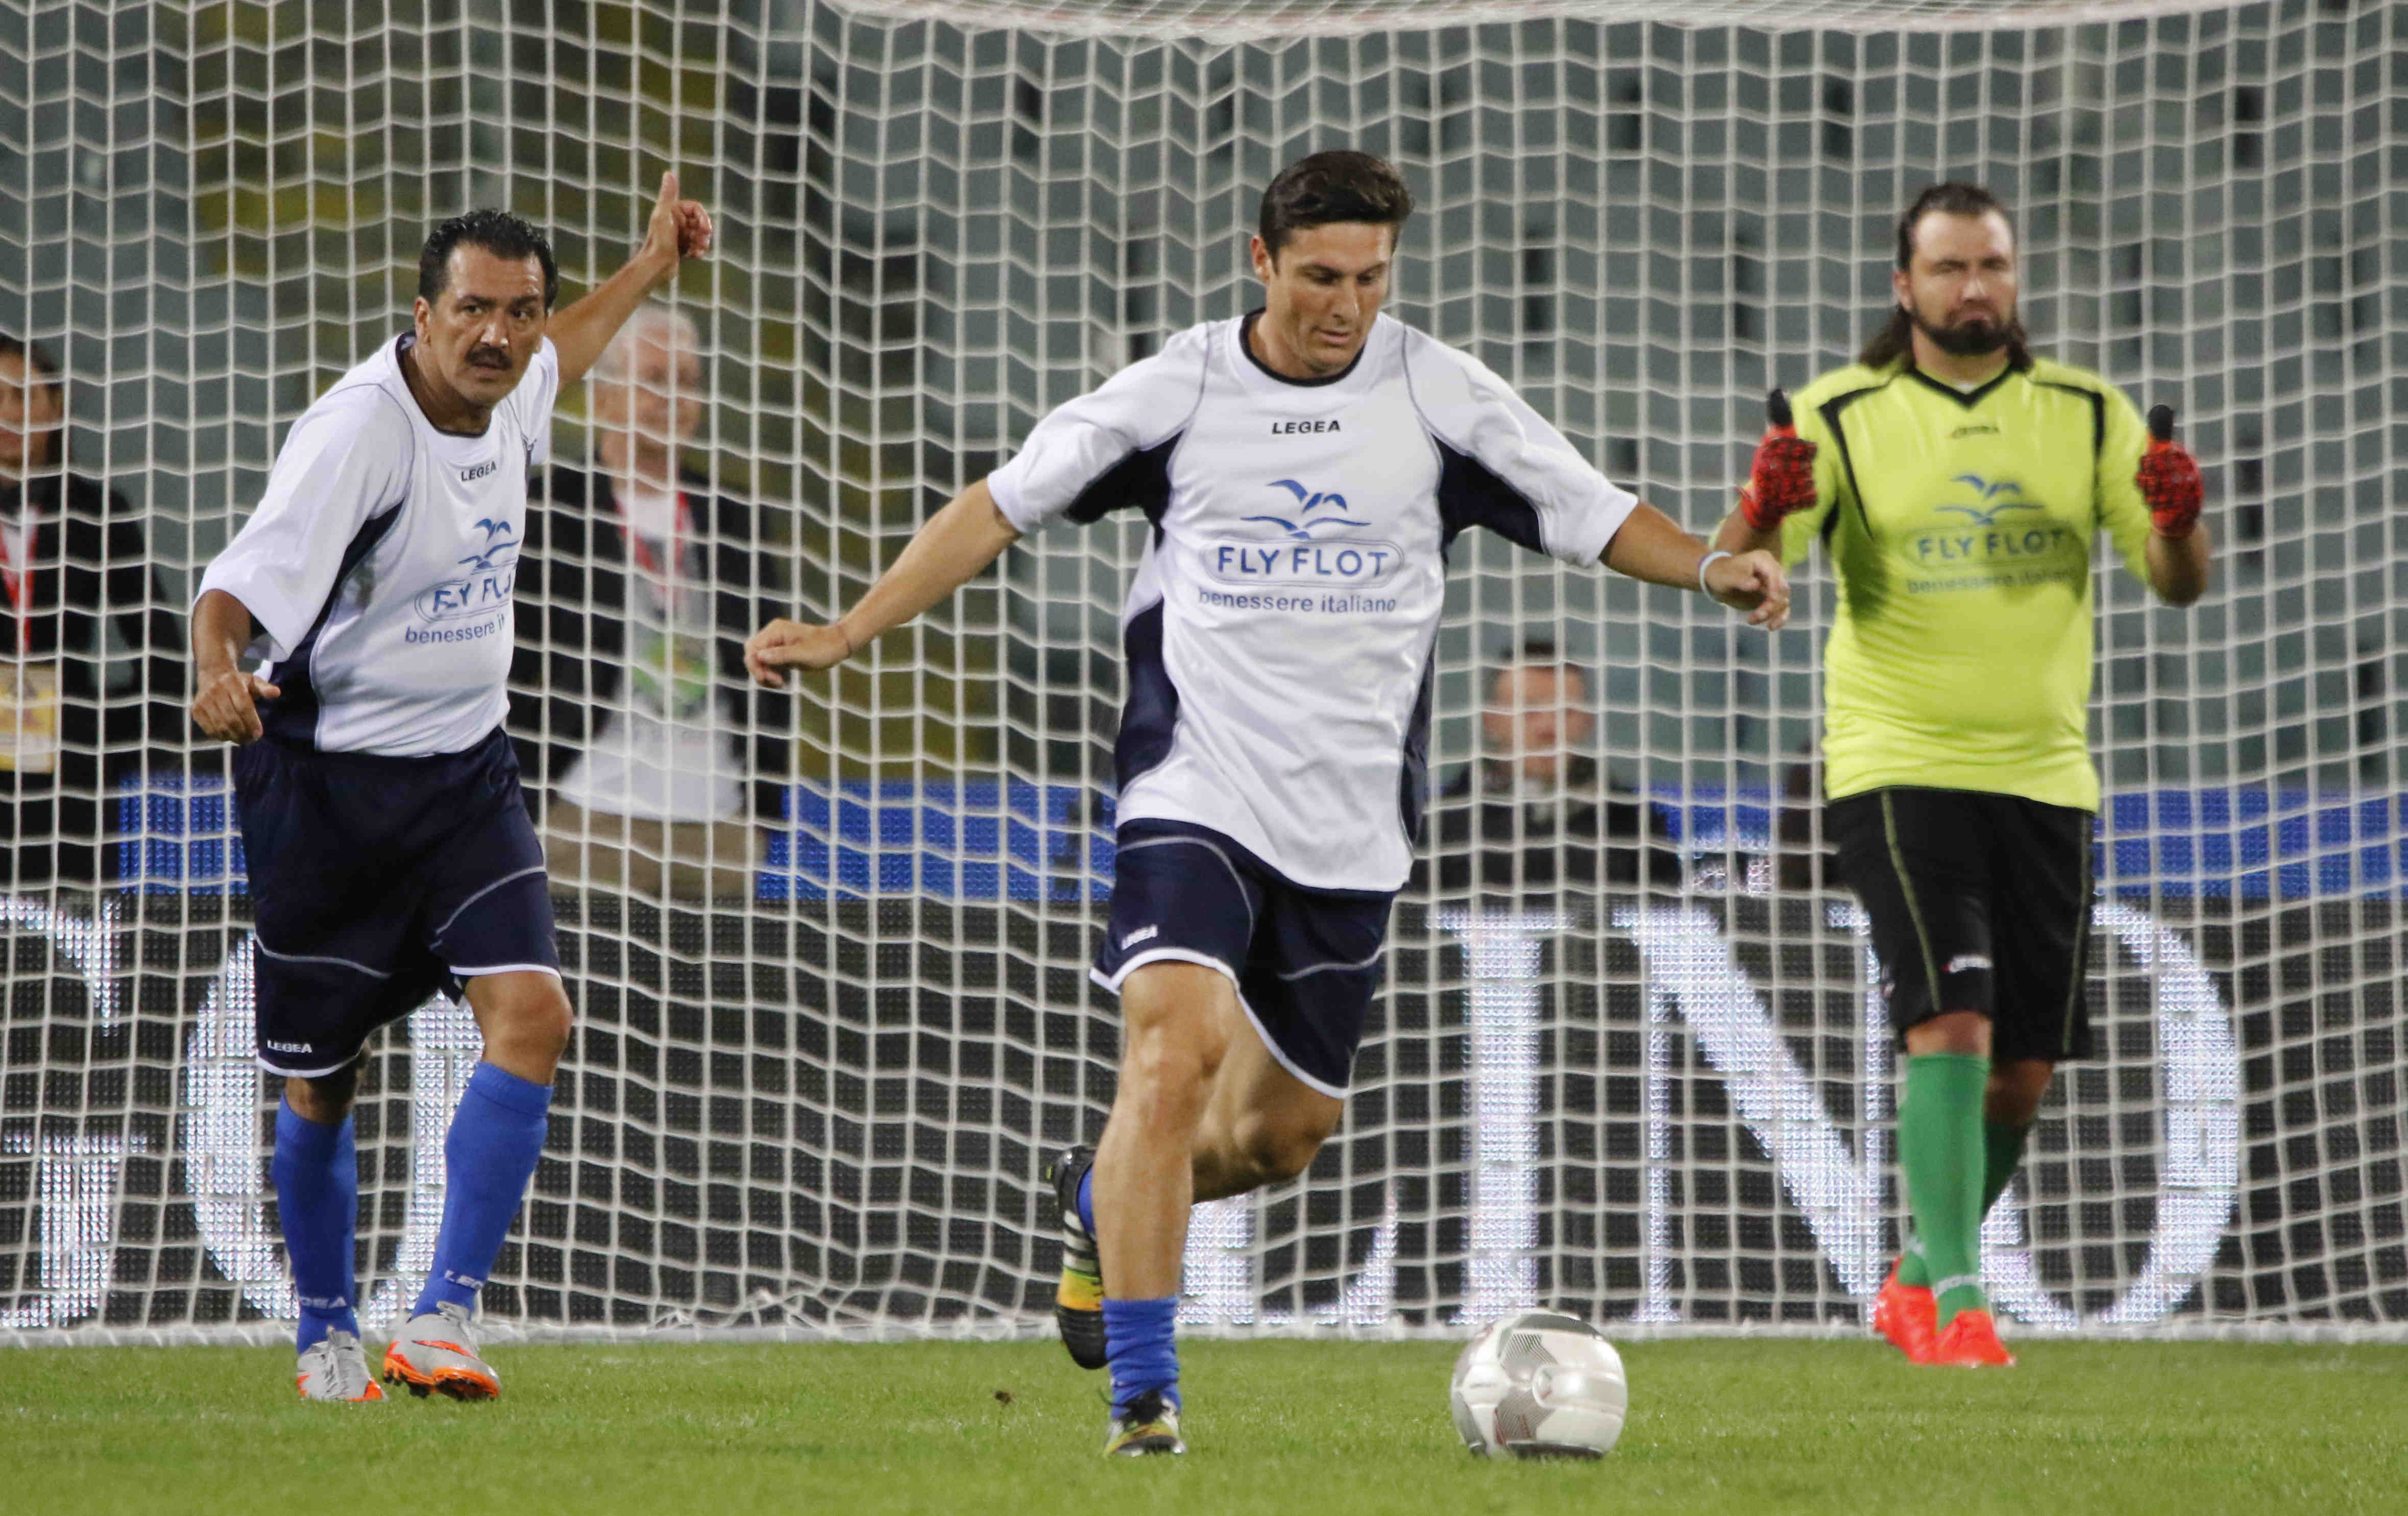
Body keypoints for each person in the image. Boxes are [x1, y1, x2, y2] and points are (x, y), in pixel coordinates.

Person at [745, 150, 1788, 1455]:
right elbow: (996, 506)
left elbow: (1587, 510)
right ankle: (1144, 1397)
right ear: (1259, 262)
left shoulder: (1435, 391)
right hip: (1194, 783)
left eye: (1366, 278)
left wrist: (1707, 568)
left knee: (1276, 1137)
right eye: (1315, 278)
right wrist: (849, 629)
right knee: (1169, 1053)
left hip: (1349, 821)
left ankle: (1092, 1193)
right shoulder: (1179, 386)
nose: (1341, 305)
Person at [186, 180, 713, 1404]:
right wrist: (216, 673)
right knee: (324, 1076)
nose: (500, 335)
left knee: (534, 1016)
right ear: (420, 314)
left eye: (516, 312)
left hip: (469, 776)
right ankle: (325, 1328)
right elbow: (232, 587)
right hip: (329, 791)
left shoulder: (518, 375)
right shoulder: (356, 432)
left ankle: (441, 1316)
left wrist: (645, 268)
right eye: (473, 310)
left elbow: (561, 357)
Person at [1710, 180, 2211, 1368]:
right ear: (1904, 286)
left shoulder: (2087, 413)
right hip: (1895, 761)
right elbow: (1747, 572)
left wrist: (2177, 520)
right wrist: (1759, 506)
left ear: (2013, 276)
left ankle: (1907, 1276)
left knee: (2020, 1074)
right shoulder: (1836, 412)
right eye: (1946, 268)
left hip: (2046, 774)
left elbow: (2173, 578)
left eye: (1988, 264)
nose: (1970, 287)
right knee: (1950, 1024)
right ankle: (1960, 1309)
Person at [509, 305, 788, 902]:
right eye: (654, 380)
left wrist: (761, 810)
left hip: (717, 824)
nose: (672, 398)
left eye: (686, 383)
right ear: (605, 395)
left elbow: (774, 668)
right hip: (588, 818)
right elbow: (512, 659)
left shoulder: (734, 517)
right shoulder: (551, 506)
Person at [0, 334, 185, 888]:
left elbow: (164, 658)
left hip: (72, 791)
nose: (8, 412)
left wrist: (100, 741)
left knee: (65, 950)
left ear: (57, 408)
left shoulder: (98, 511)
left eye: (23, 394)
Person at [1413, 638, 1682, 895]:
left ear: (1587, 722)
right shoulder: (1438, 829)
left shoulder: (1635, 827)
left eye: (1565, 712)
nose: (1548, 729)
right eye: (1528, 711)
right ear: (1491, 722)